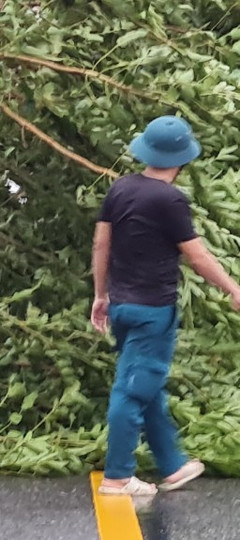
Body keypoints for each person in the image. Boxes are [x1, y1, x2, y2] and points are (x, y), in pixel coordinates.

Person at [92, 116, 240, 495]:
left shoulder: (120, 189)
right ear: (181, 160)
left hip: (123, 306)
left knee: (147, 386)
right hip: (152, 311)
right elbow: (198, 257)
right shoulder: (170, 199)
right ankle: (118, 477)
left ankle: (172, 466)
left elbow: (101, 246)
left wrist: (100, 295)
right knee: (131, 390)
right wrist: (232, 288)